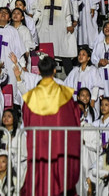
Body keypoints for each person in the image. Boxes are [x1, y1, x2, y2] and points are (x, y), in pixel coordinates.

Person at [21, 56, 80, 196]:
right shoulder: (65, 94)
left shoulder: (30, 96)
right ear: (55, 70)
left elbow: (26, 120)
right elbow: (75, 119)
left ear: (39, 71)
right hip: (60, 147)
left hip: (39, 148)